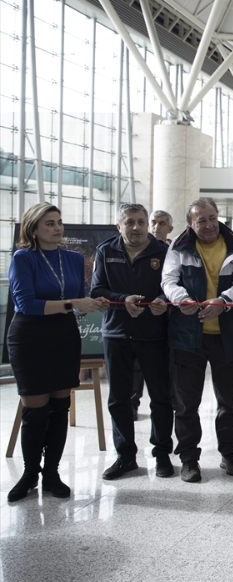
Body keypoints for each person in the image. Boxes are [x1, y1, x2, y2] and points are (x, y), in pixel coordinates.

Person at [6, 203, 108, 502]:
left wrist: (92, 303)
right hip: (30, 336)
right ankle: (30, 474)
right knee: (35, 412)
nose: (58, 228)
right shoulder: (23, 258)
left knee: (60, 407)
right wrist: (74, 304)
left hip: (63, 335)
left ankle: (52, 473)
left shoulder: (73, 259)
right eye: (49, 223)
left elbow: (77, 298)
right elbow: (26, 304)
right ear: (33, 229)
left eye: (59, 222)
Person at [162, 197, 233, 483]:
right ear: (190, 224)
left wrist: (223, 301)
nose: (209, 224)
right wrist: (182, 299)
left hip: (227, 337)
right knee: (186, 404)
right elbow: (168, 281)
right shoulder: (178, 247)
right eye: (201, 220)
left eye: (212, 218)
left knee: (229, 402)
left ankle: (230, 454)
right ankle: (189, 459)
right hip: (188, 337)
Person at [91, 203, 174, 480]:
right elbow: (97, 290)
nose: (136, 227)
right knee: (119, 399)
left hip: (155, 335)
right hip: (117, 334)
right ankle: (125, 456)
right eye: (129, 222)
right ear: (119, 226)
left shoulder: (163, 252)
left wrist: (163, 301)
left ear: (147, 224)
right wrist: (122, 299)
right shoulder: (106, 251)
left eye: (140, 222)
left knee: (161, 398)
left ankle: (162, 454)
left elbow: (173, 286)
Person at [132, 209, 174, 419]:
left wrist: (164, 300)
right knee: (136, 367)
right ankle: (133, 403)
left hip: (165, 320)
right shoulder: (139, 249)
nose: (157, 227)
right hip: (138, 318)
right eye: (154, 222)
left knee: (165, 368)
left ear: (170, 228)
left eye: (162, 223)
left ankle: (169, 404)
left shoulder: (172, 252)